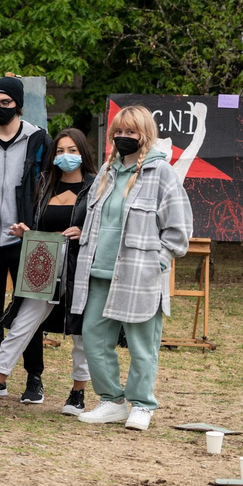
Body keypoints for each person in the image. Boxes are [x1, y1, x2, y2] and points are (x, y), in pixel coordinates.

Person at [69, 105, 193, 432]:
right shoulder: (107, 173)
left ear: (145, 136)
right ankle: (111, 401)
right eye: (119, 132)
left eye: (131, 133)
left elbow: (179, 231)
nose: (124, 138)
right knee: (94, 339)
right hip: (98, 274)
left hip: (140, 276)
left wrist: (158, 262)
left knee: (142, 346)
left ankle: (142, 405)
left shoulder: (161, 174)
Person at [0, 128, 95, 414]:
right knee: (23, 323)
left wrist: (85, 232)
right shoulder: (45, 183)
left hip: (78, 267)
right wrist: (26, 233)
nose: (66, 156)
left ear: (83, 153)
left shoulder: (96, 187)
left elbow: (105, 227)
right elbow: (40, 226)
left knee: (80, 332)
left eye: (72, 150)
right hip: (43, 262)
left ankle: (78, 393)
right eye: (60, 151)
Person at [0, 77, 51, 405]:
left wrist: (36, 226)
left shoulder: (38, 138)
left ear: (18, 104)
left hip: (25, 238)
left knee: (28, 312)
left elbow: (49, 185)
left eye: (5, 102)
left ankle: (34, 376)